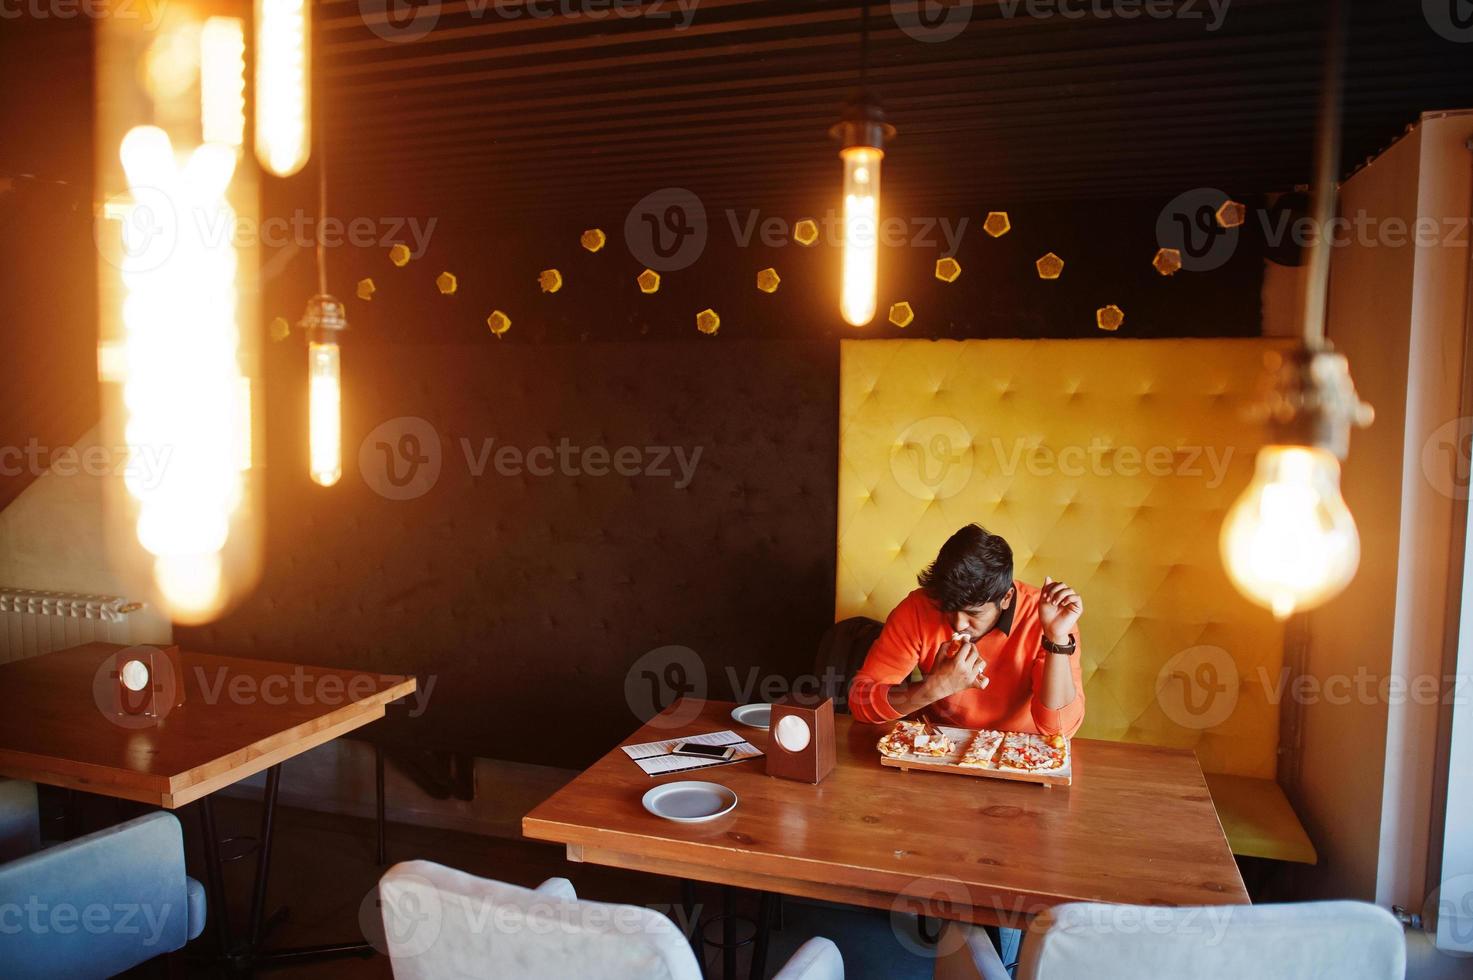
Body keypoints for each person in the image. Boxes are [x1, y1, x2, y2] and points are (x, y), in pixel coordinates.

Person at [848, 524, 1085, 737]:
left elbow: (1059, 729)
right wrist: (932, 689)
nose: (959, 624)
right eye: (949, 608)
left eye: (974, 614)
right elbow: (860, 701)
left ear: (1006, 598)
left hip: (1021, 753)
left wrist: (1056, 639)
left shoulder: (1047, 616)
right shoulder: (920, 607)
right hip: (938, 746)